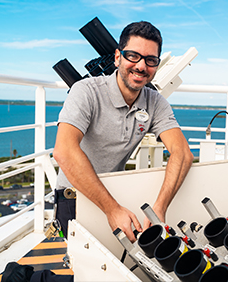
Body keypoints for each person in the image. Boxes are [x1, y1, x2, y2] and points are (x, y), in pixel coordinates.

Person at [53, 20, 194, 242]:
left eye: (150, 60)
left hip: (114, 193)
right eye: (133, 56)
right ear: (118, 57)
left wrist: (159, 209)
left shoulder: (155, 102)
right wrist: (112, 209)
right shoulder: (86, 92)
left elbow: (183, 153)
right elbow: (64, 151)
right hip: (74, 198)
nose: (141, 66)